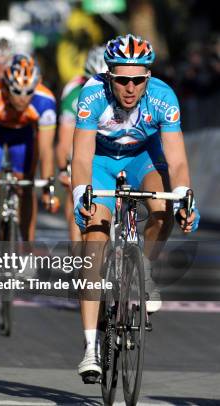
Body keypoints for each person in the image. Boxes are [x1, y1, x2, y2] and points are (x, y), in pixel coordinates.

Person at [71, 34, 200, 381]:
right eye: (122, 79)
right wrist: (81, 193)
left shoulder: (163, 97)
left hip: (143, 158)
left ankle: (144, 267)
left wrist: (186, 199)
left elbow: (177, 162)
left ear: (148, 77)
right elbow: (81, 158)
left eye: (138, 80)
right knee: (95, 241)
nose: (130, 88)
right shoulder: (91, 94)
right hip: (100, 161)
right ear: (109, 75)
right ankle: (89, 347)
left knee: (162, 207)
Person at [0, 53, 58, 244]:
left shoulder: (45, 100)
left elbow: (46, 149)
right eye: (16, 92)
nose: (22, 99)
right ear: (6, 85)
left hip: (23, 135)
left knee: (26, 186)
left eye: (28, 92)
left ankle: (27, 248)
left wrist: (48, 187)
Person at [56, 45, 108, 242]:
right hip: (81, 142)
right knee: (74, 187)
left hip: (108, 145)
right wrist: (64, 169)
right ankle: (78, 251)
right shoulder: (75, 92)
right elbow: (65, 139)